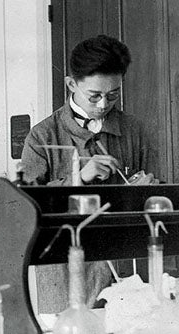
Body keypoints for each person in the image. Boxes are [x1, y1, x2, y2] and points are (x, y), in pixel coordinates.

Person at [20, 35, 160, 313]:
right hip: (66, 273)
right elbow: (26, 206)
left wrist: (145, 189)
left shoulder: (134, 130)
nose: (103, 104)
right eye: (94, 95)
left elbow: (156, 196)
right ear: (71, 84)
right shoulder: (42, 136)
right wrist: (79, 177)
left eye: (113, 94)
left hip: (124, 269)